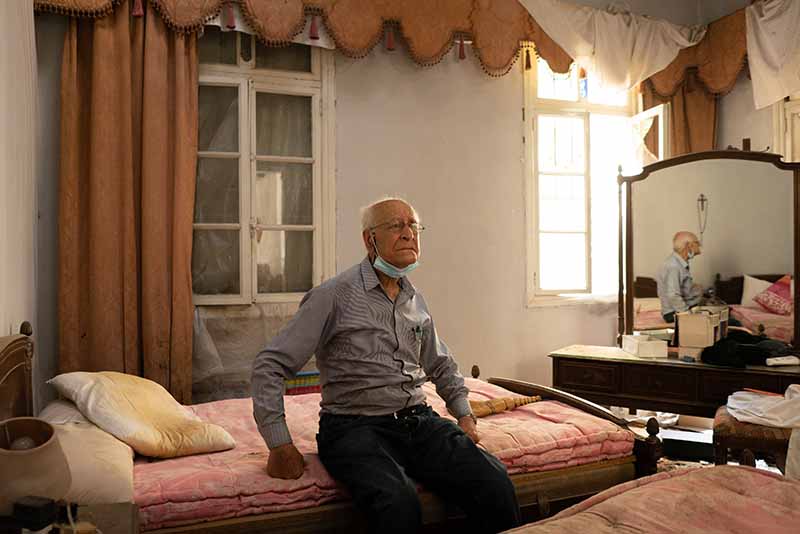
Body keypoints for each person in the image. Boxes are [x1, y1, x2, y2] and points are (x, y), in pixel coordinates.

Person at [251, 198, 520, 534]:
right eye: (396, 225)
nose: (409, 233)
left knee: (494, 482)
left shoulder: (414, 299)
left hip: (418, 421)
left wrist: (465, 415)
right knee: (399, 503)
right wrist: (279, 443)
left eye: (414, 225)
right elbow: (270, 364)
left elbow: (441, 363)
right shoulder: (333, 296)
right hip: (353, 428)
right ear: (370, 239)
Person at [656, 231, 703, 323]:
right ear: (689, 246)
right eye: (697, 242)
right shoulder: (673, 266)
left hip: (680, 310)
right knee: (725, 319)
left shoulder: (678, 263)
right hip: (675, 313)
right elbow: (673, 295)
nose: (700, 245)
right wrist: (687, 314)